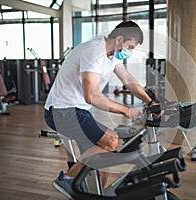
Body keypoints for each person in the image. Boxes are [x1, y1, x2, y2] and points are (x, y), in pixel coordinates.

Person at [44, 21, 157, 198]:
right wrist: (126, 111)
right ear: (119, 39)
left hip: (77, 111)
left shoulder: (113, 55)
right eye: (130, 46)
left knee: (102, 161)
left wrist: (150, 101)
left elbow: (128, 79)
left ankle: (98, 195)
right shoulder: (94, 51)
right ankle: (66, 179)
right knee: (111, 141)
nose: (130, 51)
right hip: (62, 111)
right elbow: (92, 96)